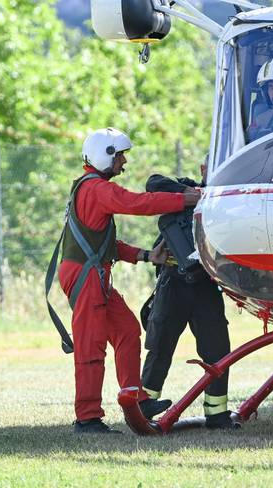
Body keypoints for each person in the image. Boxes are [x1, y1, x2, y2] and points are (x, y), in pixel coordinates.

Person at [58, 128, 201, 434]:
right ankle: (88, 418)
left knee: (126, 329)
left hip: (92, 274)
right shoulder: (96, 188)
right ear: (104, 155)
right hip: (86, 276)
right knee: (90, 346)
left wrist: (148, 256)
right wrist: (184, 200)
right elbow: (137, 203)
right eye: (120, 156)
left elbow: (107, 243)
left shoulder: (91, 188)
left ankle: (136, 402)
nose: (123, 163)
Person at [140, 156, 235, 429]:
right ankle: (144, 407)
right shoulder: (187, 188)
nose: (212, 171)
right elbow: (153, 182)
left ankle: (217, 414)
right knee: (160, 345)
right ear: (202, 170)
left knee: (217, 349)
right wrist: (192, 196)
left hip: (206, 286)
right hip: (173, 282)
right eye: (209, 166)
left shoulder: (228, 196)